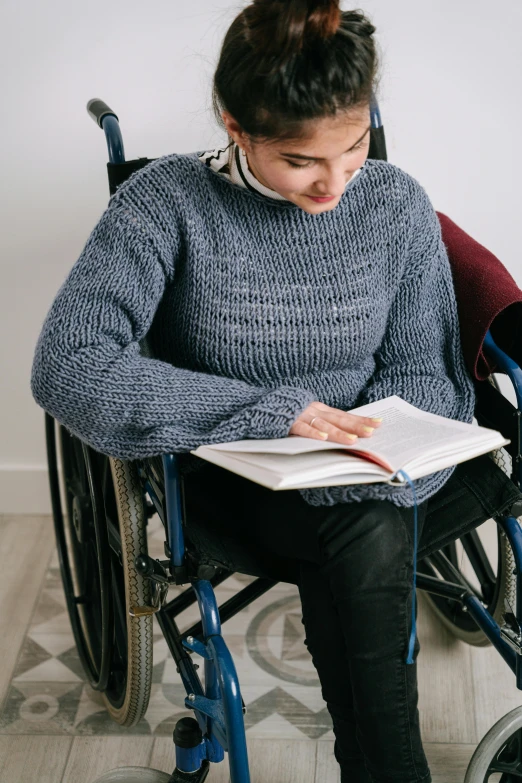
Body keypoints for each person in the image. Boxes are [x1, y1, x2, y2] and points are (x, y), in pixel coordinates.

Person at [30, 2, 504, 781]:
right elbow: (71, 364)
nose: (334, 181)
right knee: (366, 537)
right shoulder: (164, 204)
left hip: (387, 473)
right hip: (240, 477)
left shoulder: (395, 203)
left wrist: (377, 450)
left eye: (352, 148)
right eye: (301, 160)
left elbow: (425, 368)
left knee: (365, 526)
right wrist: (273, 412)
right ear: (236, 125)